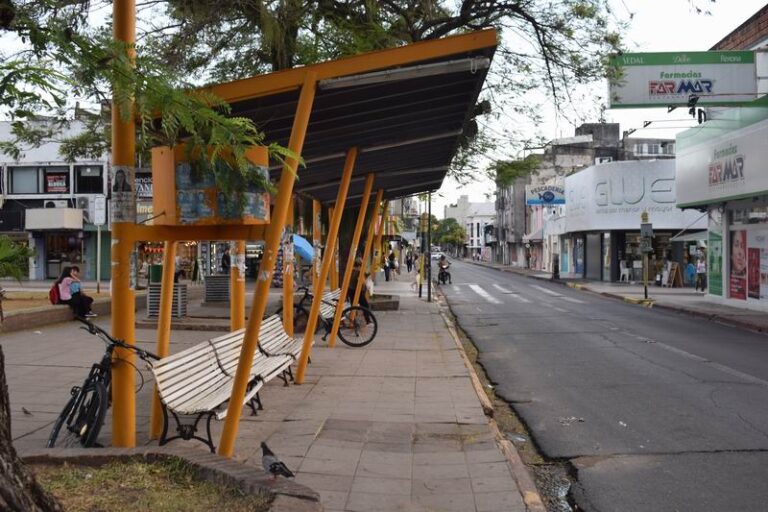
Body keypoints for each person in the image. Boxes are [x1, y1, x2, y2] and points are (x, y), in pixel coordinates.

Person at [348, 258, 373, 323]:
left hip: (351, 291)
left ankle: (353, 320)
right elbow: (361, 281)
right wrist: (366, 284)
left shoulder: (351, 270)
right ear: (359, 265)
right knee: (365, 305)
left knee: (353, 306)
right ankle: (367, 320)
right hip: (357, 292)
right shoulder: (359, 271)